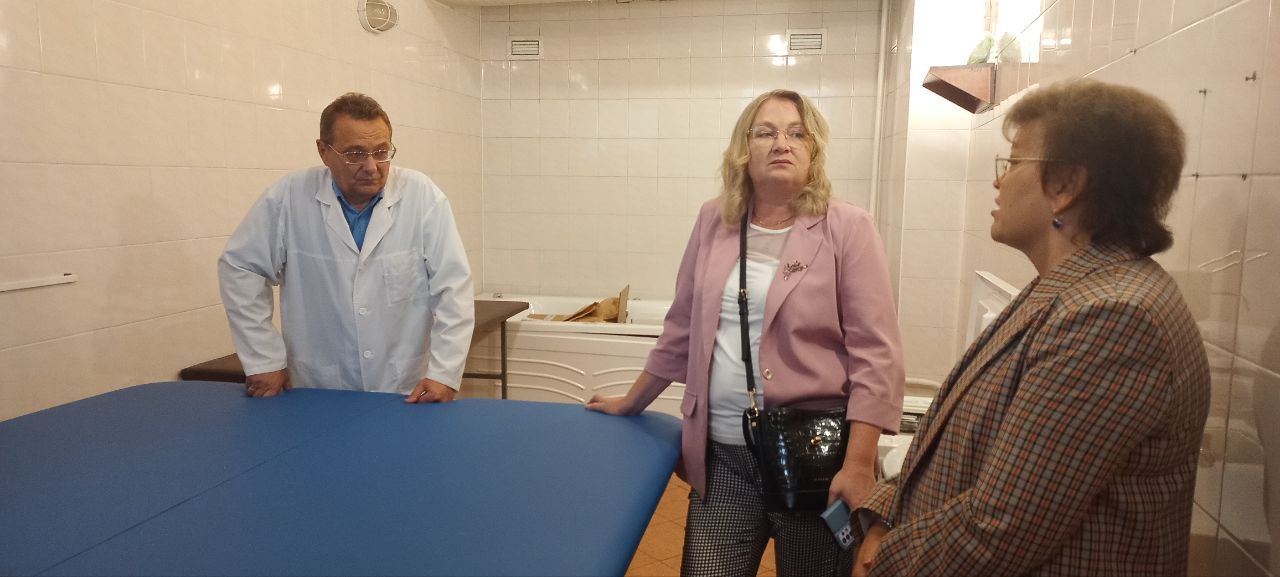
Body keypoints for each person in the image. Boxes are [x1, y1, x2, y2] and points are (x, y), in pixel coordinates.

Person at [851, 80, 1211, 576]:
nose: (999, 182)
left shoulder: (1112, 318)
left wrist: (884, 561)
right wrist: (883, 517)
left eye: (1014, 161)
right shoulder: (1070, 289)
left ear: (1066, 186)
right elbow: (951, 448)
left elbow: (1000, 530)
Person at [587, 89, 905, 577]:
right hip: (722, 458)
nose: (782, 143)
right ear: (744, 149)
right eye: (766, 132)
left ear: (814, 149)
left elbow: (876, 354)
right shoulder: (714, 220)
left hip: (813, 457)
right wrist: (633, 401)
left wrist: (860, 463)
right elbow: (682, 325)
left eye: (797, 133)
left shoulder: (848, 227)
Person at [218, 92, 474, 403]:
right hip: (319, 387)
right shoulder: (290, 197)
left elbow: (453, 289)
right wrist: (264, 359)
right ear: (324, 151)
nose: (372, 166)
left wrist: (444, 373)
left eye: (381, 152)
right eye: (355, 154)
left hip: (402, 387)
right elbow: (241, 268)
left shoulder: (422, 196)